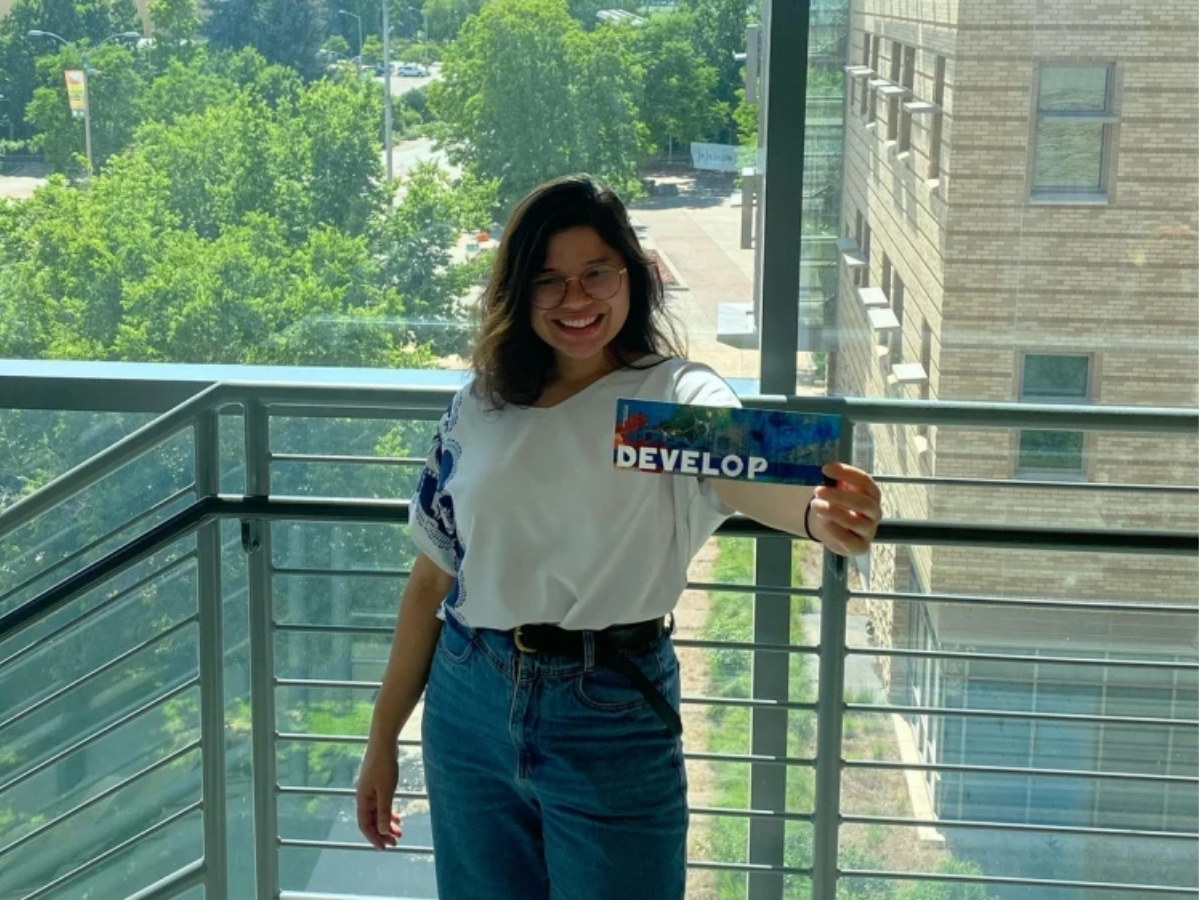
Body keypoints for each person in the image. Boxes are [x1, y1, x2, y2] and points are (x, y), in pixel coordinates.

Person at [355, 174, 882, 899]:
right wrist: (382, 739)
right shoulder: (482, 404)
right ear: (519, 292)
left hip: (608, 709)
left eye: (596, 273)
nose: (577, 300)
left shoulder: (665, 400)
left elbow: (740, 463)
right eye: (550, 280)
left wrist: (819, 514)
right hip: (467, 702)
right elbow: (428, 583)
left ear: (630, 276)